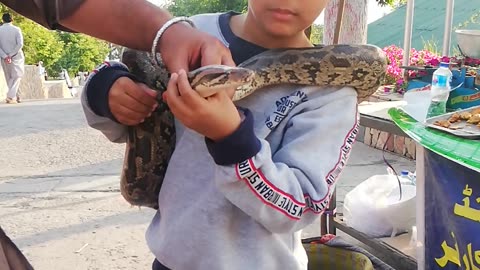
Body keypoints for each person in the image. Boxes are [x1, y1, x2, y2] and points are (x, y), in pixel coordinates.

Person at [84, 0, 361, 269]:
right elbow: (129, 116)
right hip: (172, 259)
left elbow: (298, 207)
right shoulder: (185, 34)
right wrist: (106, 90)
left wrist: (231, 138)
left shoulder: (332, 96)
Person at [0, 12, 24, 104]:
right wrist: (11, 54)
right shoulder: (16, 29)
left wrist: (5, 56)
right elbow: (20, 44)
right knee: (17, 75)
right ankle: (11, 96)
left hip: (4, 57)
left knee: (9, 77)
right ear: (12, 19)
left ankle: (15, 96)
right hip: (16, 56)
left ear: (3, 20)